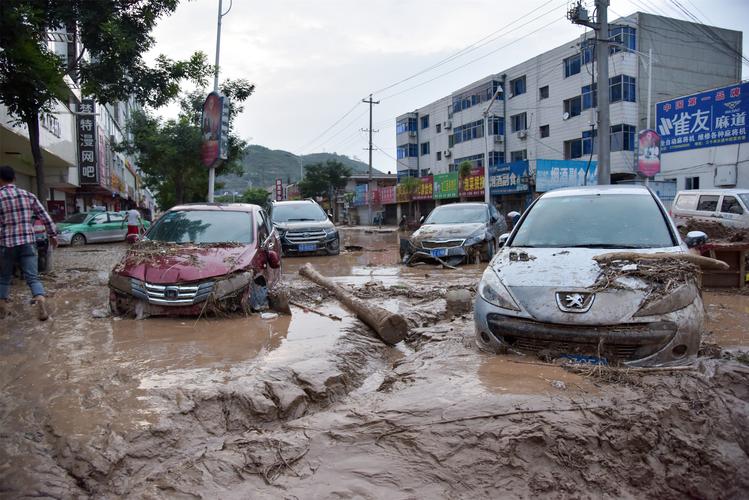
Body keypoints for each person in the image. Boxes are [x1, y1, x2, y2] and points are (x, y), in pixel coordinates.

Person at [0, 165, 58, 320]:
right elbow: (45, 216)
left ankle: (2, 309)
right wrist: (53, 235)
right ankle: (39, 299)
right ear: (15, 178)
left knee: (4, 277)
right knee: (33, 277)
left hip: (6, 244)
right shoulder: (28, 195)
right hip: (27, 242)